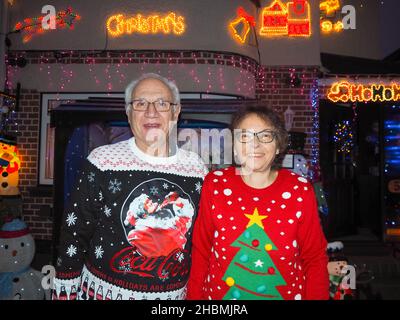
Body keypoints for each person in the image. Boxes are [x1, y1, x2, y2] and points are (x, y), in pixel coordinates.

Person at [53, 73, 207, 300]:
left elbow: (203, 240)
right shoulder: (102, 161)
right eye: (140, 103)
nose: (151, 112)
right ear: (128, 111)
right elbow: (74, 232)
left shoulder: (197, 169)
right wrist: (65, 292)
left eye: (162, 104)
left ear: (176, 112)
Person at [187, 106, 329, 300]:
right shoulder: (216, 183)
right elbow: (201, 251)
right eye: (244, 136)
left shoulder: (299, 189)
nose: (255, 144)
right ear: (234, 146)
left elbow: (314, 258)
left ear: (278, 145)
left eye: (265, 136)